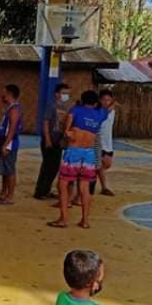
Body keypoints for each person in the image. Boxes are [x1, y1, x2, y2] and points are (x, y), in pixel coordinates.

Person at [49, 91, 107, 229]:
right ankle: (85, 220)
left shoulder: (76, 110)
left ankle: (63, 218)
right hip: (89, 153)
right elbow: (109, 107)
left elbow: (66, 130)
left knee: (63, 185)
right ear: (95, 102)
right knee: (85, 187)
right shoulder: (101, 114)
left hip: (74, 151)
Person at [34, 84, 73, 200]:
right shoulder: (51, 106)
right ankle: (40, 192)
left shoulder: (67, 108)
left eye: (68, 93)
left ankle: (47, 189)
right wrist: (47, 139)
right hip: (50, 140)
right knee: (47, 166)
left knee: (54, 167)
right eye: (64, 93)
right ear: (57, 94)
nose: (66, 96)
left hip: (58, 141)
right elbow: (46, 123)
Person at [0, 84, 22, 205]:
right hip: (5, 140)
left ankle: (10, 195)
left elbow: (12, 128)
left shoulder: (14, 109)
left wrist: (6, 144)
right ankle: (3, 192)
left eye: (5, 93)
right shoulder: (10, 108)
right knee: (4, 169)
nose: (3, 96)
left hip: (9, 143)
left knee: (9, 170)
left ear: (9, 94)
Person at [96, 89, 117, 197]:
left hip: (108, 143)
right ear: (99, 100)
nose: (106, 102)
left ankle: (102, 186)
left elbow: (111, 107)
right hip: (99, 142)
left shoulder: (112, 111)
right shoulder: (97, 111)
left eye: (108, 100)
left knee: (107, 164)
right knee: (98, 165)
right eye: (104, 100)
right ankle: (104, 187)